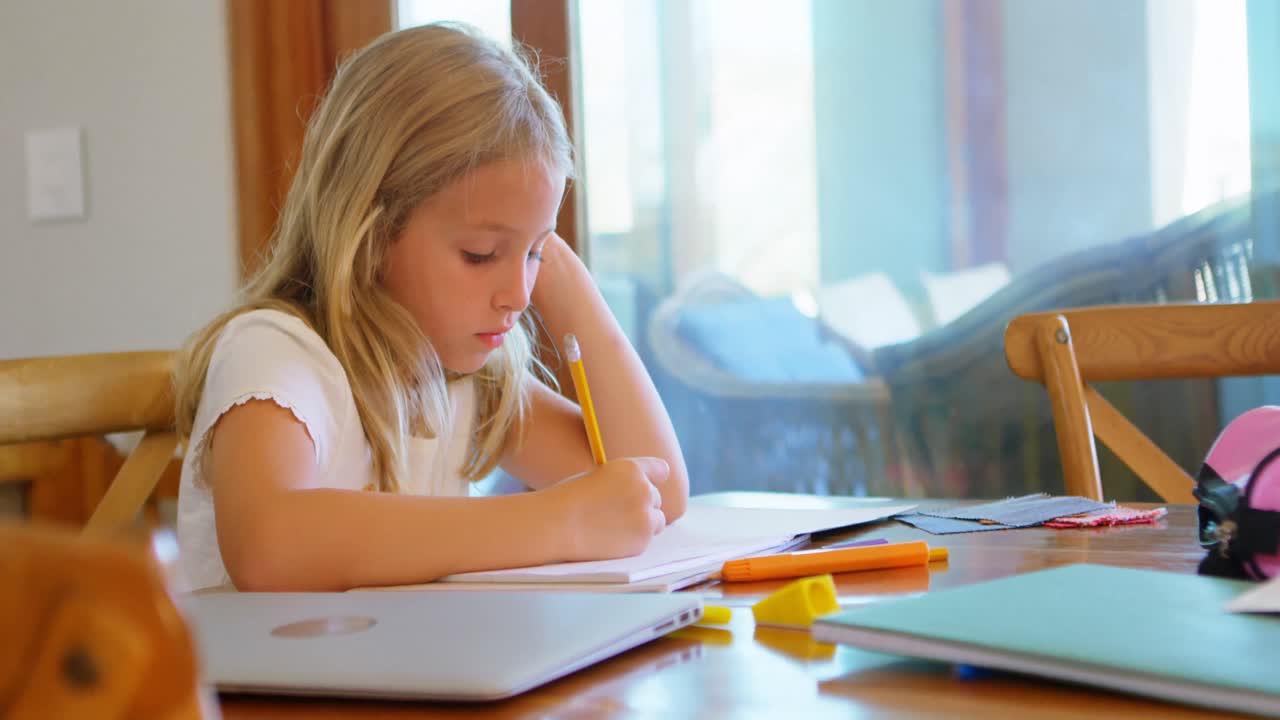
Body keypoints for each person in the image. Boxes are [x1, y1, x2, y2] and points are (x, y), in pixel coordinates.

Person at [172, 23, 688, 592]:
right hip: (252, 683)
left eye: (536, 254)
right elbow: (269, 545)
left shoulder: (464, 377)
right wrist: (557, 521)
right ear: (369, 229)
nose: (518, 294)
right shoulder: (275, 351)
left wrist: (569, 284)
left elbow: (652, 495)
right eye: (481, 253)